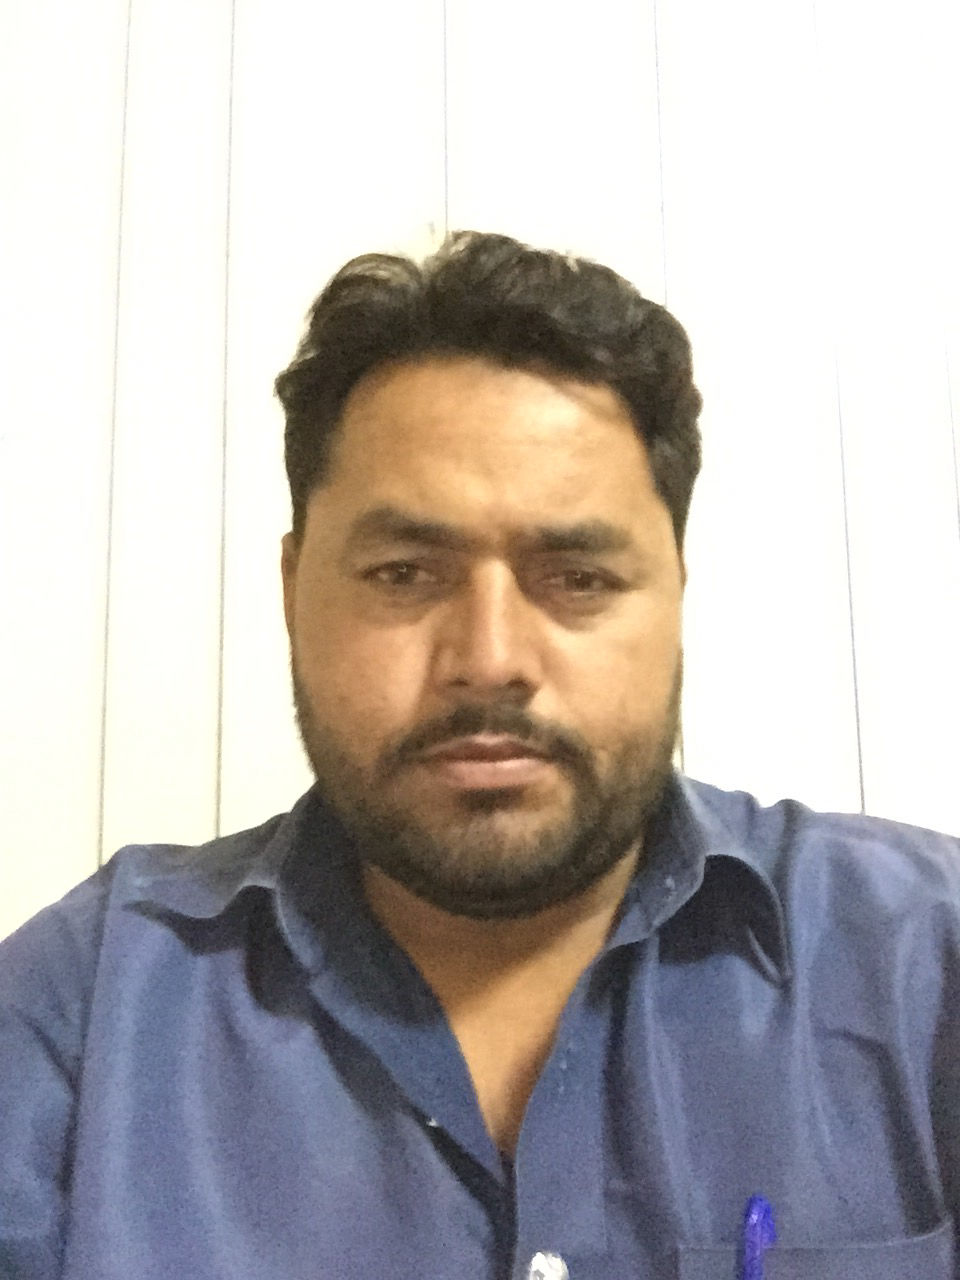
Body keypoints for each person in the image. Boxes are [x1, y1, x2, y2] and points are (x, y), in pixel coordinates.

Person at [1, 231, 958, 1280]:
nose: (490, 659)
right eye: (404, 573)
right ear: (292, 590)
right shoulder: (78, 1011)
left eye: (579, 578)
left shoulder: (924, 962)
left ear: (676, 594)